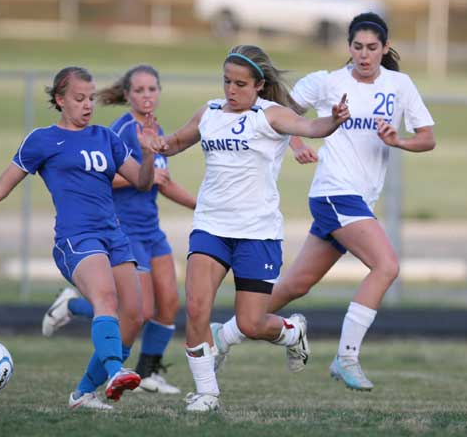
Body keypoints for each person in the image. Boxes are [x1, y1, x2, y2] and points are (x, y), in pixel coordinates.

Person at [211, 12, 436, 392]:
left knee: (294, 285)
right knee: (386, 265)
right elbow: (279, 116)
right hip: (334, 193)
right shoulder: (328, 82)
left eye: (372, 48)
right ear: (349, 47)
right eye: (357, 47)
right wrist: (298, 144)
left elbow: (427, 137)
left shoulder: (400, 85)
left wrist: (398, 140)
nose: (364, 55)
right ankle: (346, 357)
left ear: (384, 48)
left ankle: (225, 336)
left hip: (357, 201)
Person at [149, 44, 350, 412]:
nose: (231, 90)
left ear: (259, 84)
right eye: (227, 81)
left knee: (251, 323)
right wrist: (157, 145)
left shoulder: (270, 115)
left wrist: (333, 121)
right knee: (196, 309)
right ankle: (207, 392)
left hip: (257, 234)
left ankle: (292, 332)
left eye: (240, 83)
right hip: (211, 226)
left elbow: (310, 126)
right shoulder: (209, 112)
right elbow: (175, 142)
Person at [0, 66, 165, 410]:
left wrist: (149, 153)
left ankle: (82, 394)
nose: (87, 106)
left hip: (114, 234)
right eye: (79, 99)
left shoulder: (105, 137)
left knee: (135, 314)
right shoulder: (42, 140)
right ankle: (114, 371)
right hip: (76, 238)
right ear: (60, 100)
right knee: (106, 299)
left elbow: (142, 182)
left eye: (90, 99)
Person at [42, 65, 196, 394]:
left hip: (151, 229)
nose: (146, 96)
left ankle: (148, 372)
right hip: (123, 229)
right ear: (127, 95)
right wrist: (144, 175)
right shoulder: (122, 130)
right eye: (139, 90)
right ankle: (73, 308)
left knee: (168, 302)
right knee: (135, 310)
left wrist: (203, 206)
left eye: (152, 89)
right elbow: (100, 178)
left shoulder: (156, 129)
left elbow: (162, 182)